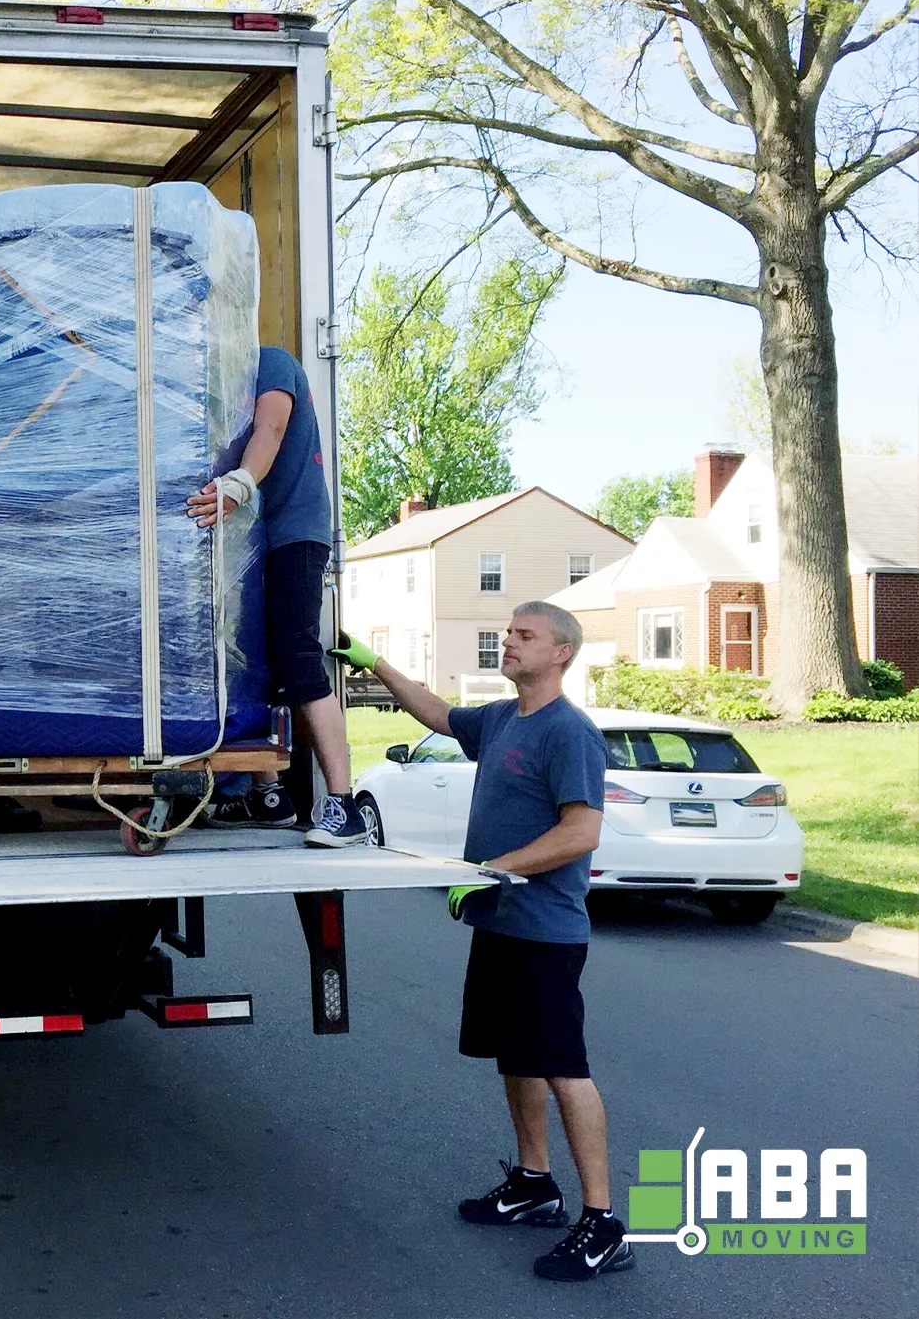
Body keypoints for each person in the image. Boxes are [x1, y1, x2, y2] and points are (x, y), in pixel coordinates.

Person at [330, 602, 631, 1283]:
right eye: (508, 631)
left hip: (546, 931)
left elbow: (582, 831)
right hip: (500, 923)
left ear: (561, 653)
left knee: (563, 1066)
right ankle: (534, 1182)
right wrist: (371, 661)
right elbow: (436, 712)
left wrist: (500, 868)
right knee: (516, 1056)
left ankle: (604, 1221)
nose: (509, 640)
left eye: (525, 634)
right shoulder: (500, 718)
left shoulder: (569, 732)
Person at [185, 345, 368, 846]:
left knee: (296, 653)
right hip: (252, 537)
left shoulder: (270, 360)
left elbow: (272, 427)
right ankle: (267, 795)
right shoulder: (218, 385)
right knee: (251, 658)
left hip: (294, 532)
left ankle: (344, 804)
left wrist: (239, 483)